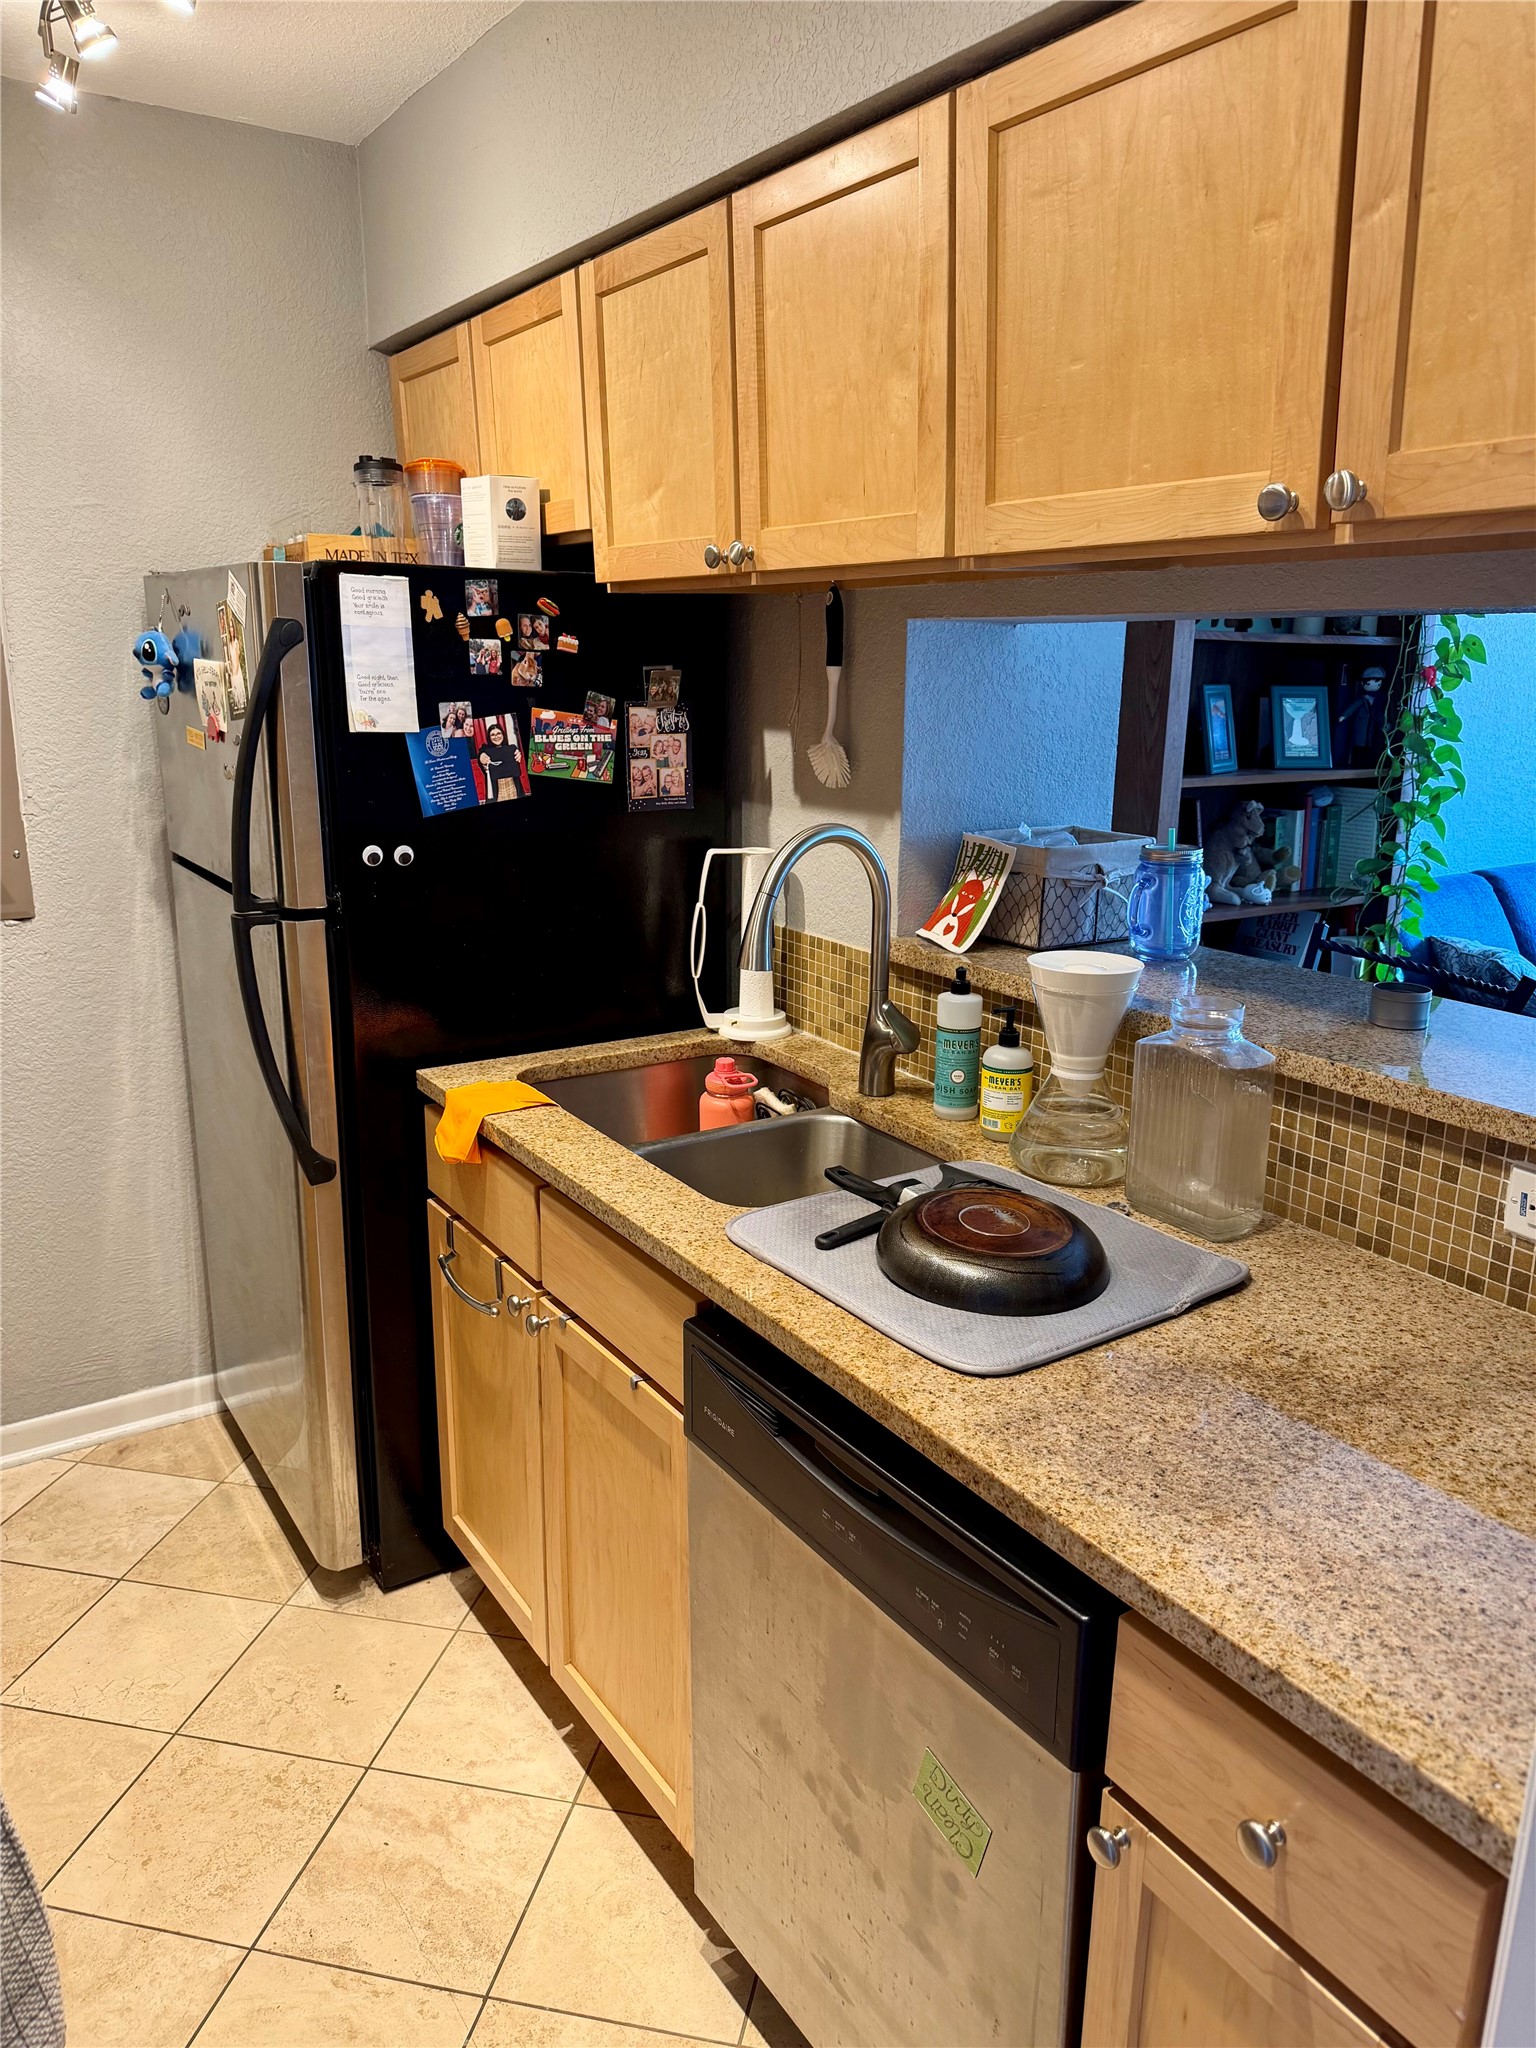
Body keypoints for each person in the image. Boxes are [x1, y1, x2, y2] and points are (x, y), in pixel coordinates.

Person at [478, 723, 523, 801]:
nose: (496, 736)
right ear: (489, 737)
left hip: (513, 787)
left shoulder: (511, 749)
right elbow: (481, 754)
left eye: (498, 733)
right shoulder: (486, 750)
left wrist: (518, 754)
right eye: (492, 735)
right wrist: (481, 756)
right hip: (497, 791)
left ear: (503, 735)